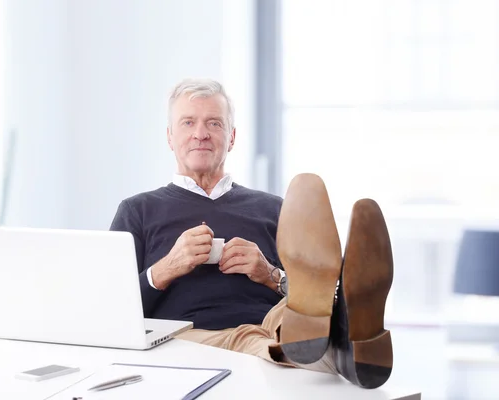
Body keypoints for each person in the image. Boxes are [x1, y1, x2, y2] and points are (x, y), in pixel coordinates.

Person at [110, 78, 394, 389]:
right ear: (169, 137)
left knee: (300, 315)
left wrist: (270, 274)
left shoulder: (274, 209)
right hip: (188, 338)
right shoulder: (138, 211)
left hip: (269, 325)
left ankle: (344, 319)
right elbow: (109, 311)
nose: (200, 133)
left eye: (214, 123)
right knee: (290, 353)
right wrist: (166, 268)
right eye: (188, 122)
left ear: (231, 137)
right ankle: (353, 340)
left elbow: (294, 293)